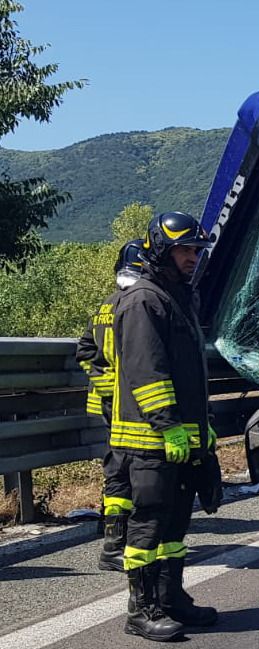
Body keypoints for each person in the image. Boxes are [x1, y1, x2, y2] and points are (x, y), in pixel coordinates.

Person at [111, 211, 220, 641]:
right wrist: (169, 425)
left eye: (196, 250)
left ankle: (171, 597)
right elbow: (148, 372)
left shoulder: (177, 297)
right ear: (161, 250)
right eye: (185, 250)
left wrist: (202, 428)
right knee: (149, 523)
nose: (193, 257)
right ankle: (141, 610)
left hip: (180, 438)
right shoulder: (143, 300)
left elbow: (190, 374)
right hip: (151, 438)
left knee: (175, 526)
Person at [76, 239, 145, 571]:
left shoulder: (107, 304)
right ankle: (118, 543)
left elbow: (85, 351)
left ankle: (115, 535)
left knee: (118, 467)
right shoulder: (138, 304)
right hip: (131, 406)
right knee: (127, 470)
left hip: (112, 404)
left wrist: (104, 384)